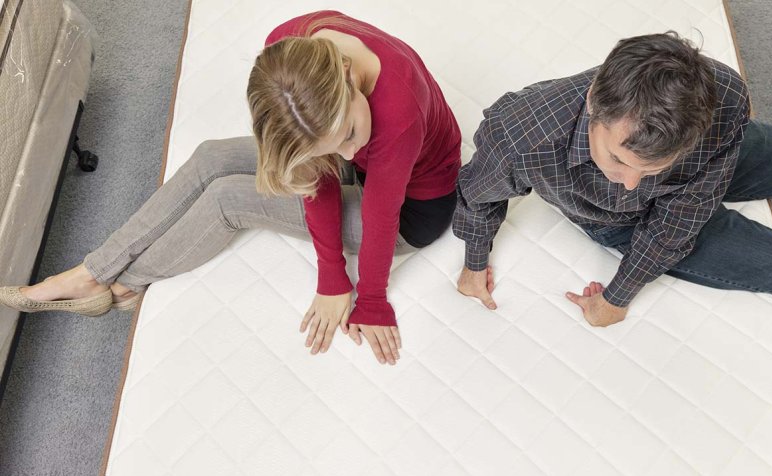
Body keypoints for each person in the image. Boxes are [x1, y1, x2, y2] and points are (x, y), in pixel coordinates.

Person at [0, 10, 461, 366]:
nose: (341, 154)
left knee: (228, 199)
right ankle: (90, 273)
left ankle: (125, 283)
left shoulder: (395, 113)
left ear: (345, 74)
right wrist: (336, 153)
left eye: (348, 135)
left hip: (412, 208)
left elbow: (381, 217)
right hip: (373, 166)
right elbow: (316, 175)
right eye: (331, 145)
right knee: (211, 157)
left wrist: (360, 293)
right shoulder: (291, 49)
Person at [453, 32, 772, 362]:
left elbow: (679, 218)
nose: (630, 185)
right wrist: (475, 263)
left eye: (651, 170)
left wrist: (615, 297)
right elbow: (477, 193)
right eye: (616, 160)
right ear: (594, 101)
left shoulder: (725, 97)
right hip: (620, 222)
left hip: (703, 167)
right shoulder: (521, 136)